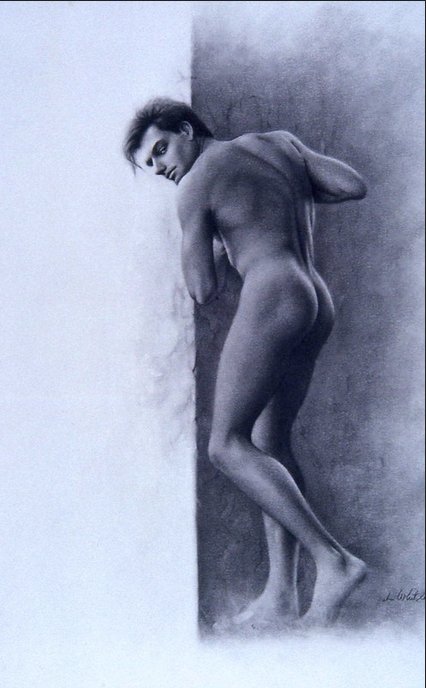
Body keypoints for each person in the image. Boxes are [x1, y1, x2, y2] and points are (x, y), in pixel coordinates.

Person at [124, 97, 368, 629]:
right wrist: (273, 198)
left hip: (273, 292)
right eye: (152, 164)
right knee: (269, 442)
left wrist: (209, 237)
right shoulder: (278, 143)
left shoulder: (195, 185)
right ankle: (281, 595)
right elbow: (352, 186)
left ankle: (334, 561)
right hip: (314, 295)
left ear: (186, 129)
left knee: (226, 446)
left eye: (161, 149)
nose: (162, 167)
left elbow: (202, 289)